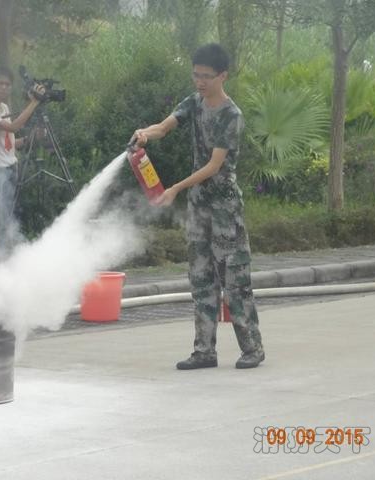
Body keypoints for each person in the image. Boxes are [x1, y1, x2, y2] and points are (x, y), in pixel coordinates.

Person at [132, 43, 265, 370]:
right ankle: (204, 351)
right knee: (201, 278)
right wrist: (145, 134)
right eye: (195, 75)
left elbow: (213, 166)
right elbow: (164, 127)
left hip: (224, 208)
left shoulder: (232, 116)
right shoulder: (194, 102)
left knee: (234, 281)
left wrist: (175, 188)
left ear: (223, 76)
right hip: (198, 208)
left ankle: (253, 348)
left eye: (206, 76)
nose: (200, 82)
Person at [0, 66, 44, 258]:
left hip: (10, 167)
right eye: (0, 83)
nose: (4, 87)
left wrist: (31, 138)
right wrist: (34, 103)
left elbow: (10, 143)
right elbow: (12, 127)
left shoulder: (4, 108)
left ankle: (8, 261)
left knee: (10, 220)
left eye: (8, 84)